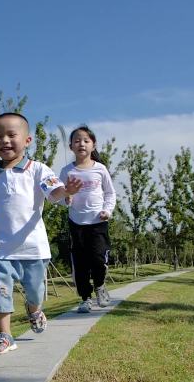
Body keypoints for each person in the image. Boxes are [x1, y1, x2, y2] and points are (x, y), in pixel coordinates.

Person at [0, 112, 82, 355]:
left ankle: (34, 308)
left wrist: (66, 190)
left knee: (35, 291)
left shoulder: (37, 169)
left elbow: (54, 193)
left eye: (11, 135)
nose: (4, 140)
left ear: (27, 141)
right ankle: (5, 335)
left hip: (33, 248)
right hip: (0, 247)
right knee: (0, 291)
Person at [59, 125, 116, 313]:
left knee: (99, 260)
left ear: (93, 145)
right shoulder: (67, 171)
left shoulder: (100, 169)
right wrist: (66, 198)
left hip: (98, 222)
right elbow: (58, 196)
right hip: (77, 224)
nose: (81, 143)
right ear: (71, 147)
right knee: (80, 264)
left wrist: (107, 210)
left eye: (86, 140)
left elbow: (110, 193)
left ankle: (100, 286)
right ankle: (85, 298)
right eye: (77, 140)